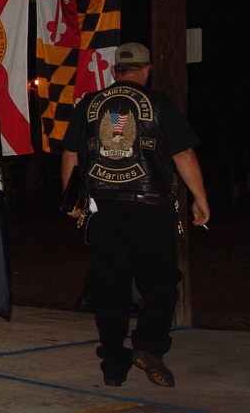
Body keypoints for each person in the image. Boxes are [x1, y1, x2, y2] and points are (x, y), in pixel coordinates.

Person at [60, 42, 210, 388]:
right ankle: (149, 346)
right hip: (150, 209)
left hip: (104, 210)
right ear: (146, 70)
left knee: (110, 287)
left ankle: (114, 365)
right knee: (161, 283)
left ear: (115, 72)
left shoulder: (89, 105)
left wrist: (73, 201)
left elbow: (70, 156)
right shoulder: (158, 103)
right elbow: (183, 154)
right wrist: (200, 197)